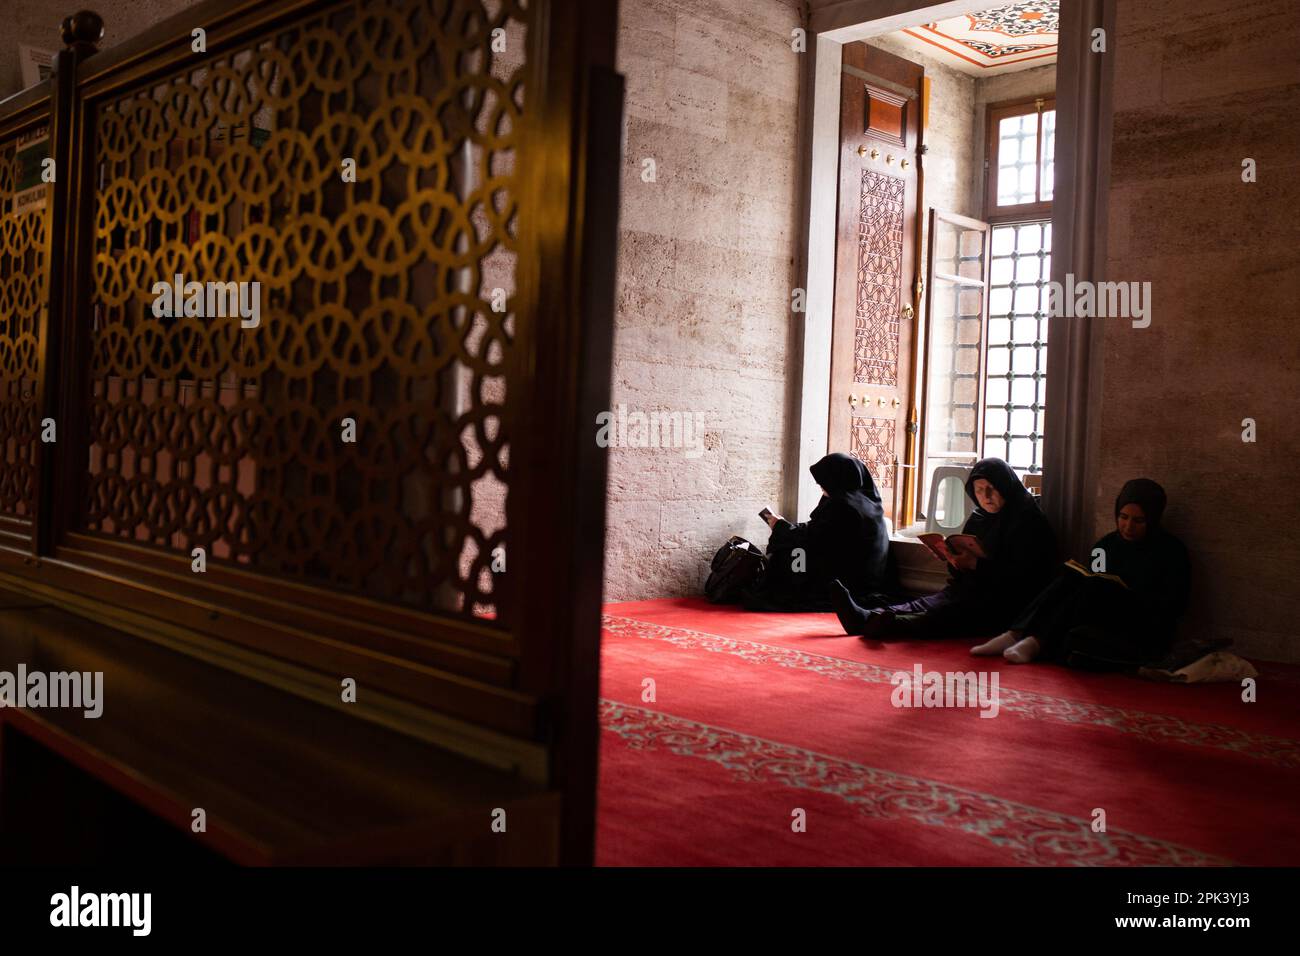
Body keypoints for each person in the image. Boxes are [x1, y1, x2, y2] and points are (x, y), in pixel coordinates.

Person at [972, 478, 1190, 668]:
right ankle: (1016, 634)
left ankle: (1034, 641)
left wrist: (1126, 593)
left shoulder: (1171, 551)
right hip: (1099, 612)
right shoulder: (1106, 545)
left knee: (1092, 588)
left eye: (1138, 520)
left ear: (1152, 519)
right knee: (1071, 577)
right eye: (1123, 517)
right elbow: (1092, 581)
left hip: (1142, 623)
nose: (1128, 526)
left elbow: (1173, 605)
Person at [829, 457, 1056, 639]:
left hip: (1006, 602)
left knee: (940, 615)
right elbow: (962, 573)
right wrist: (954, 561)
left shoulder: (1027, 520)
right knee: (925, 603)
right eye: (979, 490)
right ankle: (870, 616)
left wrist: (977, 564)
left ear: (1006, 487)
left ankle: (875, 624)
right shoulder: (979, 518)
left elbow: (1024, 577)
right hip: (970, 589)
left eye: (991, 489)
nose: (985, 497)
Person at [742, 453, 894, 612]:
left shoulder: (845, 507)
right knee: (792, 542)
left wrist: (781, 527)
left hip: (846, 579)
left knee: (792, 551)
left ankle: (792, 591)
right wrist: (785, 525)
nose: (821, 487)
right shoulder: (867, 502)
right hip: (862, 576)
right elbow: (822, 531)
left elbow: (814, 539)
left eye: (824, 482)